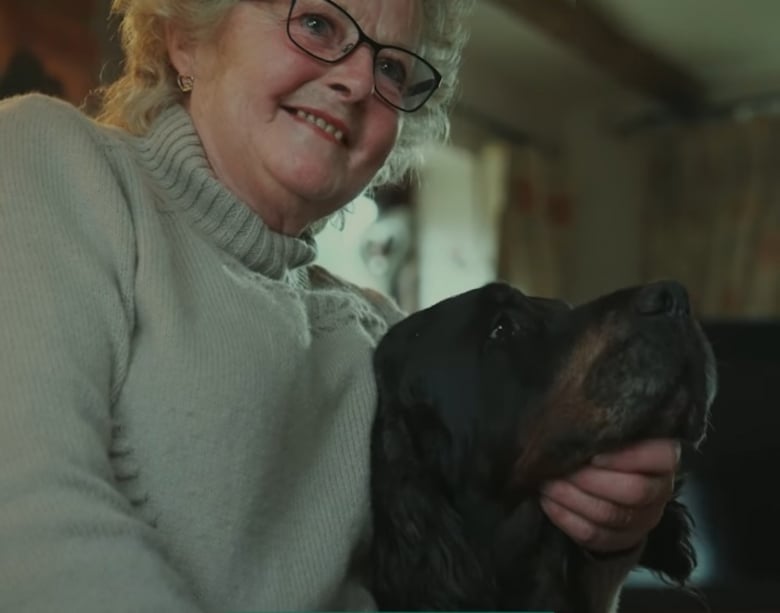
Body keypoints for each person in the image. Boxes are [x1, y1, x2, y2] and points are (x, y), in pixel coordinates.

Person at [0, 0, 680, 611]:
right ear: (187, 39)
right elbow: (28, 518)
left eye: (390, 68)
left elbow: (490, 583)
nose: (357, 80)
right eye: (319, 24)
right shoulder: (55, 164)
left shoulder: (387, 334)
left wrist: (604, 537)